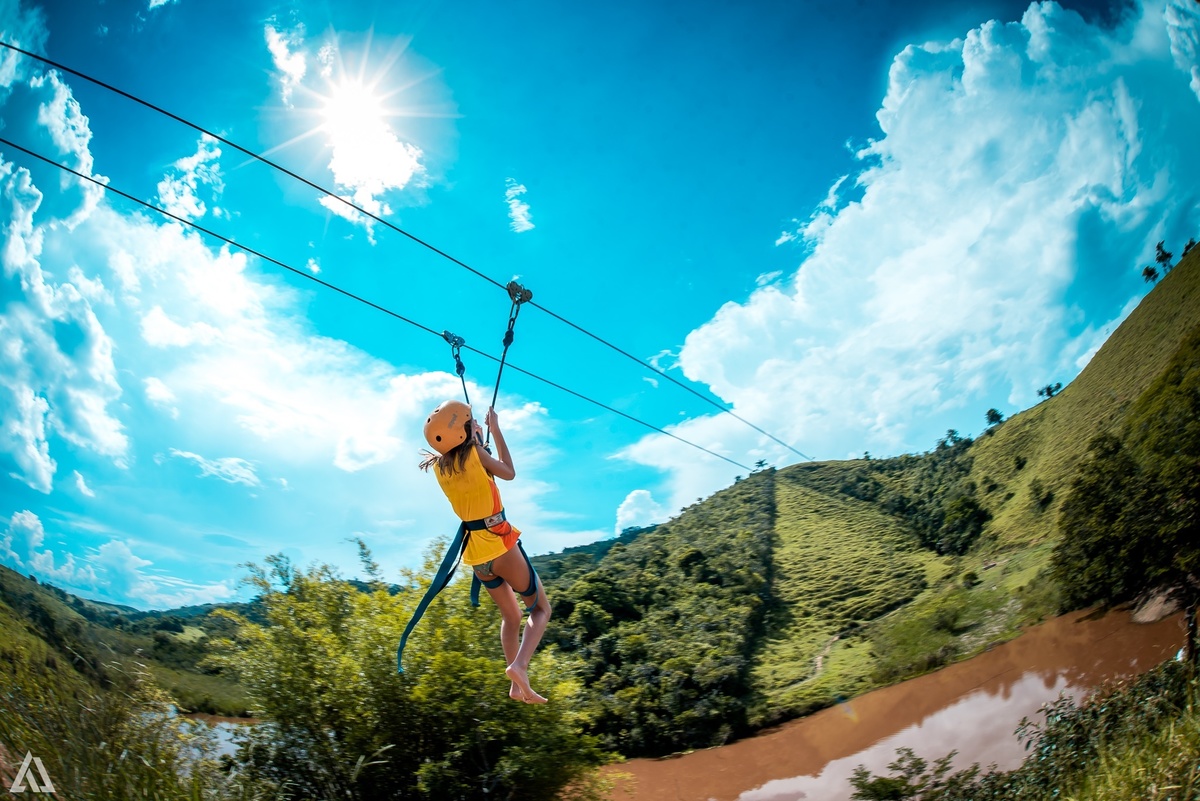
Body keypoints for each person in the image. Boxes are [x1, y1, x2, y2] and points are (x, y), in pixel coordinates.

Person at [419, 400, 552, 704]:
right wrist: (496, 430)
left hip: (477, 557)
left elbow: (474, 470)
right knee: (540, 609)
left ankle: (517, 686)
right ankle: (519, 666)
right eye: (471, 423)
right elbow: (508, 472)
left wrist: (476, 438)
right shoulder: (475, 454)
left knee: (511, 615)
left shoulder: (441, 468)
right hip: (499, 542)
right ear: (465, 431)